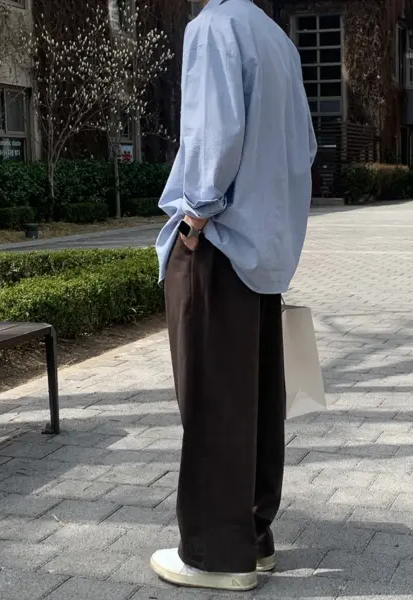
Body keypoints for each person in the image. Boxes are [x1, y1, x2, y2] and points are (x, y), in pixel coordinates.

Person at [151, 0, 317, 592]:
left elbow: (213, 137)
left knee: (213, 398)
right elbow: (305, 148)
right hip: (263, 252)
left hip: (217, 244)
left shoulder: (213, 27)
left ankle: (216, 555)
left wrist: (194, 216)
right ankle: (253, 534)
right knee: (256, 395)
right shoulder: (278, 40)